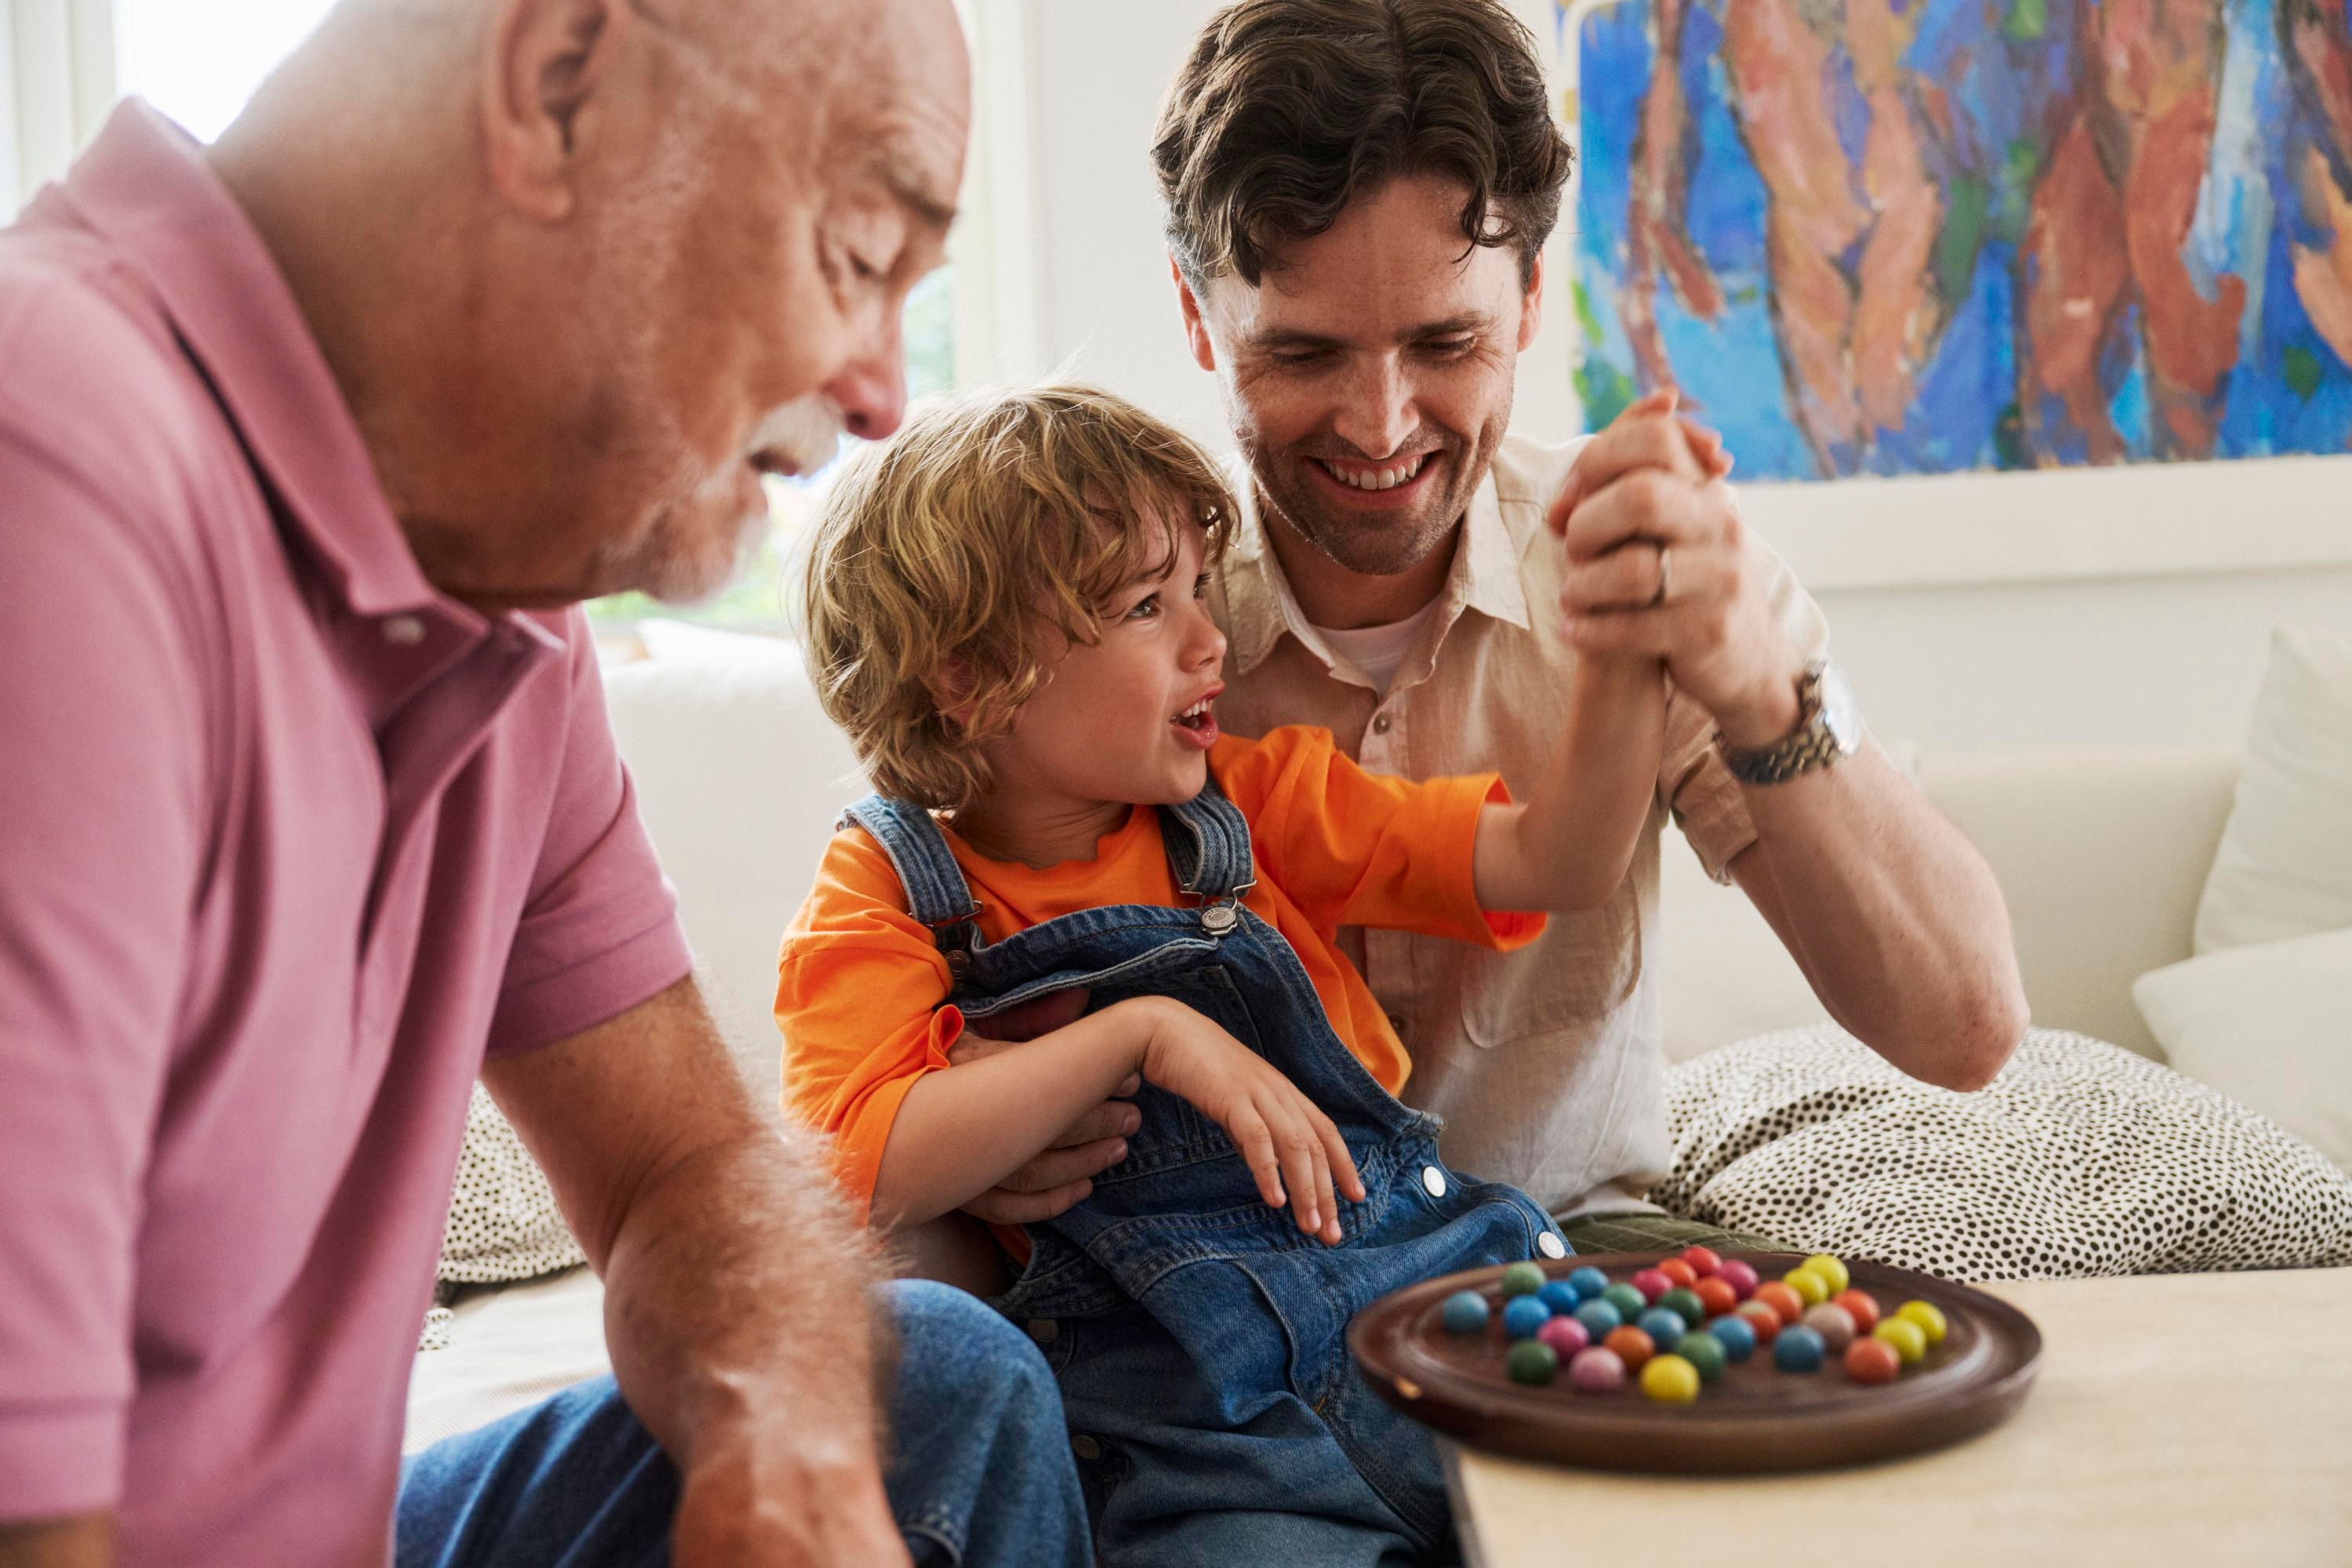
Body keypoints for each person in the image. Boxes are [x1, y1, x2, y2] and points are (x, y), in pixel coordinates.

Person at [0, 2, 1087, 1566]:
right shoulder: (55, 470)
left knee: (943, 1395)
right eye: (858, 254)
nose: (880, 395)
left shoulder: (508, 615)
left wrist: (782, 1452)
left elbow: (684, 1169)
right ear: (559, 84)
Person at [950, 0, 2028, 1260]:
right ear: (1199, 318)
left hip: (1573, 1255)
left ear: (1524, 303)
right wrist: (960, 1107)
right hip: (1209, 1294)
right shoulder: (1080, 617)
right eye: (1304, 355)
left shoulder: (1652, 568)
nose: (1381, 423)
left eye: (1445, 342)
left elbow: (1965, 1031)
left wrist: (1764, 696)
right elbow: (904, 983)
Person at [778, 382, 1671, 1561]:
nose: (1212, 641)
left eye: (1200, 587)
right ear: (971, 674)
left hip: (1438, 1322)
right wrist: (1136, 1032)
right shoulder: (887, 891)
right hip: (1202, 1448)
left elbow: (1559, 857)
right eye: (1150, 606)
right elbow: (862, 1164)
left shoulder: (1250, 806)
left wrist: (1623, 647)